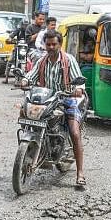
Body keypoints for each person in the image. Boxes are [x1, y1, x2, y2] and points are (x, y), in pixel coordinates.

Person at [28, 30, 86, 189]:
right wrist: (25, 81)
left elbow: (79, 82)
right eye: (48, 44)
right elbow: (30, 75)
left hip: (67, 99)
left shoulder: (68, 60)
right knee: (28, 117)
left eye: (54, 44)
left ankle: (80, 173)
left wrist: (78, 89)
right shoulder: (41, 61)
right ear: (44, 45)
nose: (51, 47)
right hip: (47, 100)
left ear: (60, 44)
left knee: (74, 132)